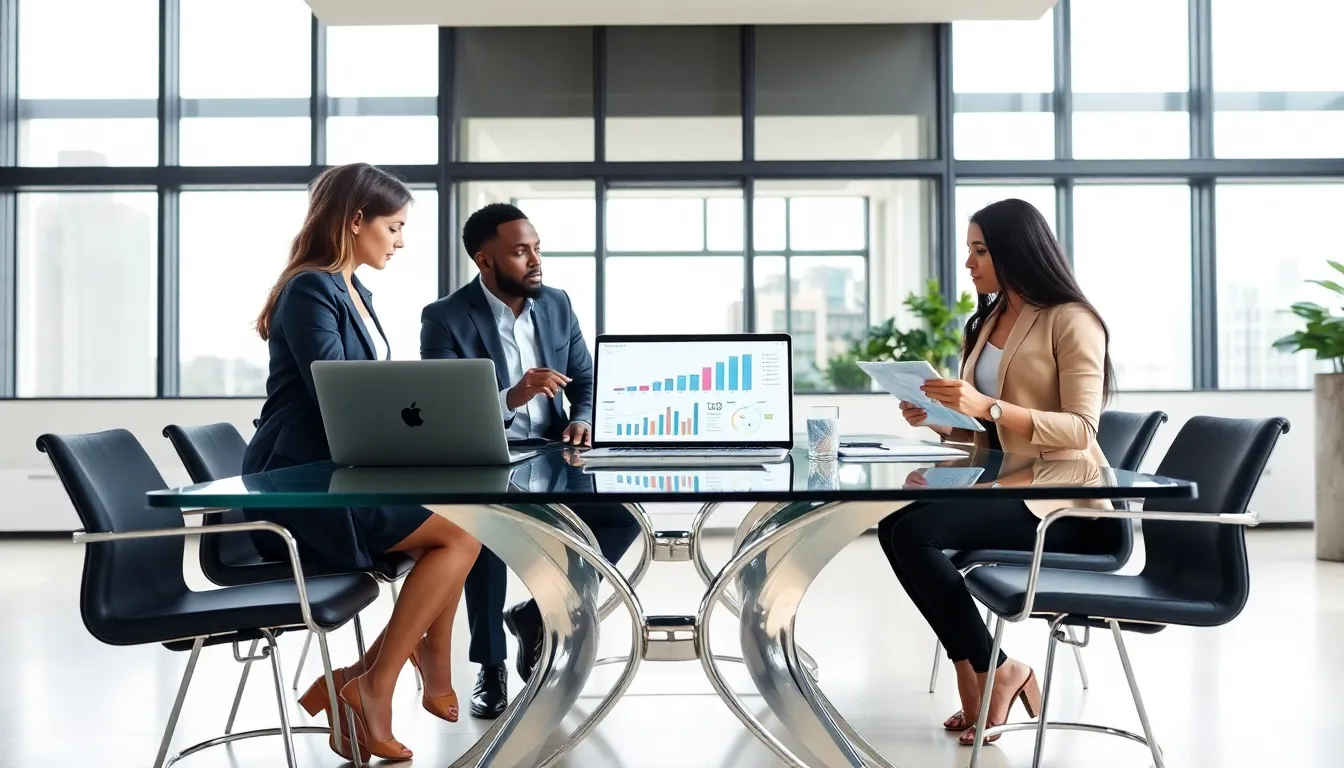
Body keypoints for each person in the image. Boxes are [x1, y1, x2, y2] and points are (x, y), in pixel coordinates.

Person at [244, 163, 481, 762]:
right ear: (355, 221)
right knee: (459, 536)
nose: (401, 241)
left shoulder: (356, 292)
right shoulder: (310, 289)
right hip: (302, 486)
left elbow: (369, 399)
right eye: (394, 227)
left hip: (343, 471)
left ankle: (368, 675)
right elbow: (338, 390)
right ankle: (385, 679)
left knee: (462, 523)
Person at [880, 198, 1117, 746]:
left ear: (1017, 251)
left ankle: (996, 670)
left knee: (916, 533)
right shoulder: (986, 320)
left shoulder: (1072, 320)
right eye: (969, 249)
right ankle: (978, 669)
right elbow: (987, 431)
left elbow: (1082, 429)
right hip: (1008, 482)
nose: (969, 262)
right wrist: (941, 419)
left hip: (1063, 505)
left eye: (980, 250)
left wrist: (982, 405)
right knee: (896, 529)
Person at [420, 202, 640, 720]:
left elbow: (586, 379)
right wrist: (512, 396)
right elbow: (444, 405)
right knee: (485, 531)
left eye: (537, 247)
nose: (535, 260)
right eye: (520, 251)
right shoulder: (446, 317)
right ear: (485, 260)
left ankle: (540, 613)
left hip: (553, 452)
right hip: (484, 457)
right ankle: (490, 667)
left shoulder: (558, 304)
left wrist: (581, 417)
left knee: (623, 515)